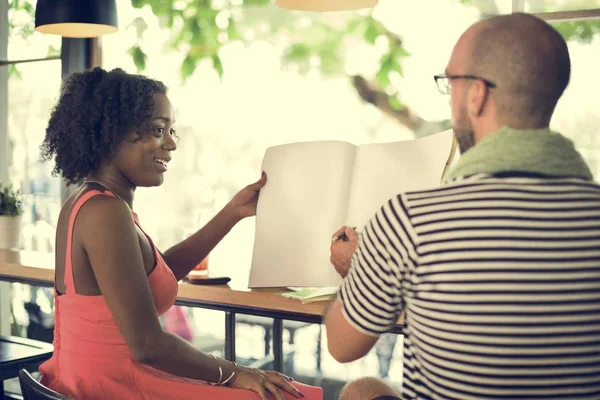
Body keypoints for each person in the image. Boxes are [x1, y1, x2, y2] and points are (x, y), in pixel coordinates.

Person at [326, 13, 600, 400]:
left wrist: (363, 266)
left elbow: (341, 346)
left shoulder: (410, 219)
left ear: (476, 94)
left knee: (361, 391)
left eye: (449, 82)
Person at [38, 67, 321, 400]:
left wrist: (233, 212)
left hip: (97, 378)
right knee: (288, 394)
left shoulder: (89, 202)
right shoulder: (105, 213)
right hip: (117, 386)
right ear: (111, 134)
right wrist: (236, 372)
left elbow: (157, 272)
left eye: (171, 130)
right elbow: (147, 345)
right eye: (158, 130)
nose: (171, 143)